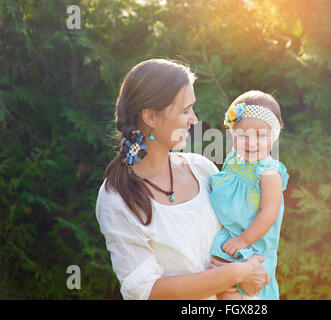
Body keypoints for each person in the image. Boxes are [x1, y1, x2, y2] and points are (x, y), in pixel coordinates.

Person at [95, 59, 269, 300]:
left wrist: (249, 273)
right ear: (151, 117)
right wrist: (235, 274)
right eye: (185, 110)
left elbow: (238, 237)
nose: (194, 119)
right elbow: (147, 291)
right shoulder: (117, 197)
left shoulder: (202, 169)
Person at [208, 90, 289, 300]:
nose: (251, 143)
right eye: (243, 135)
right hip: (229, 239)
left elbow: (269, 213)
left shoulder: (269, 173)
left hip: (253, 245)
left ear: (274, 135)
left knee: (237, 292)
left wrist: (244, 240)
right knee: (220, 287)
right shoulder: (234, 160)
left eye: (261, 136)